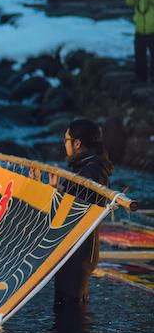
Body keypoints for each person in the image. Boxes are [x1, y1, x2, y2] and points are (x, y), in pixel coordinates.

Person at [52, 118, 113, 309]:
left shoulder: (93, 170)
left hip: (80, 252)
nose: (65, 145)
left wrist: (59, 190)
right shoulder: (85, 167)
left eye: (66, 140)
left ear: (77, 143)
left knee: (72, 314)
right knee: (65, 311)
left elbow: (82, 206)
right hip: (73, 249)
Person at [126, 0, 154, 82]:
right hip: (140, 30)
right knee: (139, 57)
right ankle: (140, 77)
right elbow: (128, 1)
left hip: (153, 30)